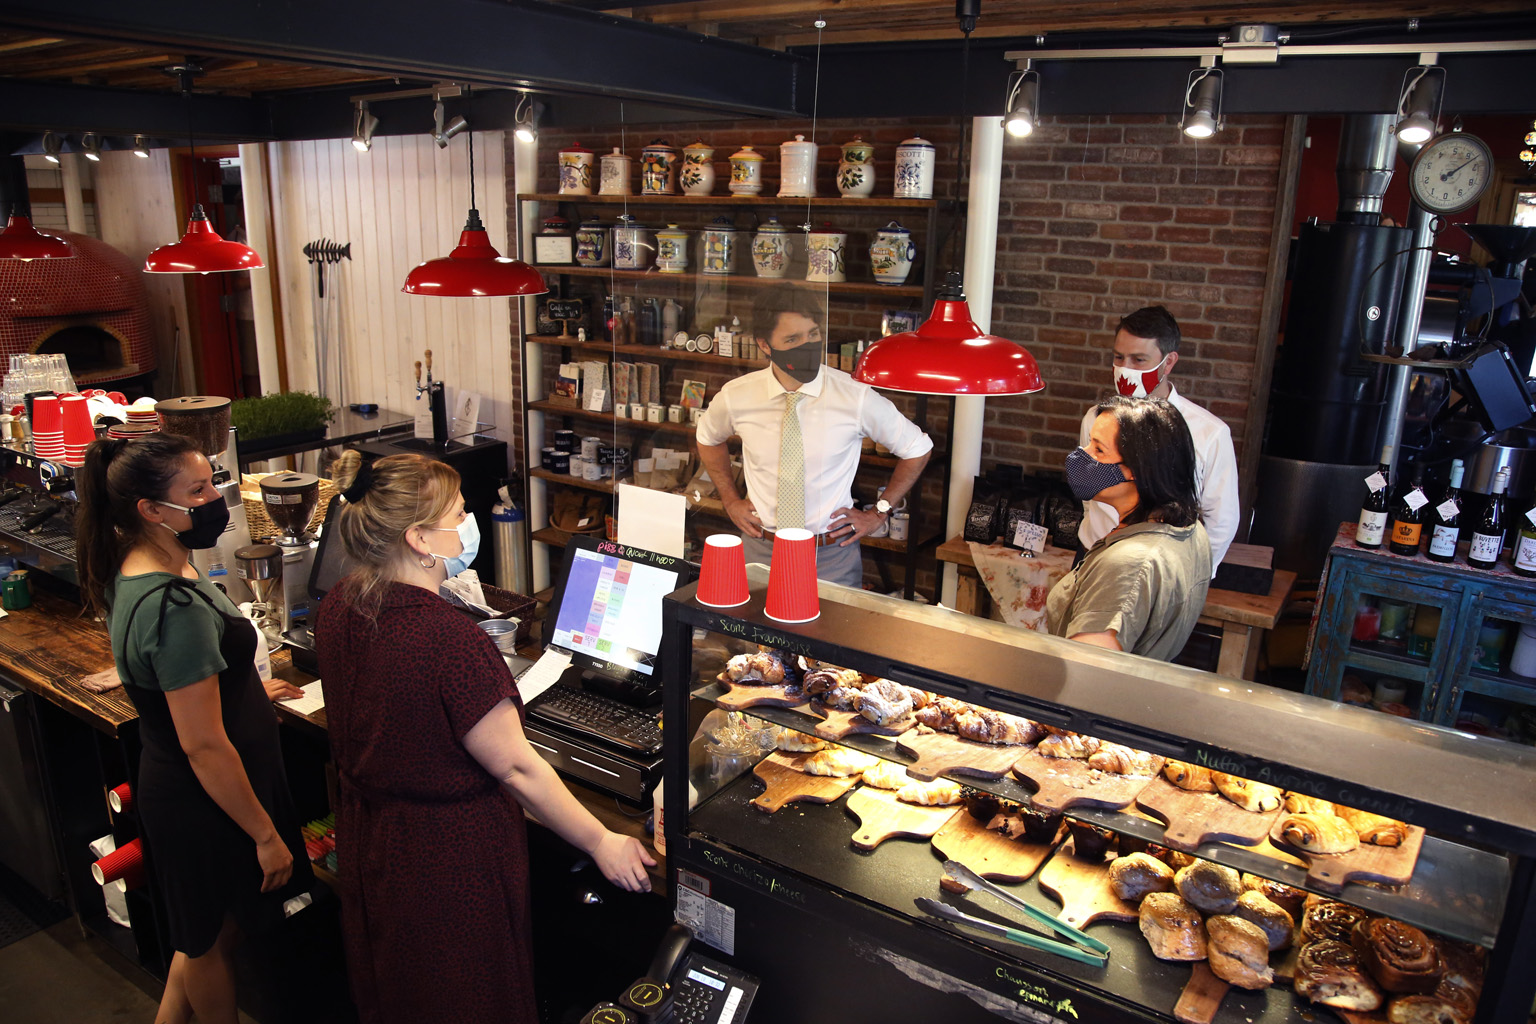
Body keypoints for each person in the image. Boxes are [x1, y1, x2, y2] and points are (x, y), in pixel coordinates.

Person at [315, 450, 655, 1024]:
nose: (467, 521)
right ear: (421, 539)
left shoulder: (341, 604)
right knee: (466, 995)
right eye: (459, 512)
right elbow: (517, 768)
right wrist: (602, 841)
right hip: (447, 860)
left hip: (374, 840)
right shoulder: (448, 639)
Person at [75, 433, 311, 1024]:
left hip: (206, 794)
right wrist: (263, 834)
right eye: (198, 490)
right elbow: (203, 744)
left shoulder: (150, 564)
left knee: (203, 933)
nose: (215, 498)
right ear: (150, 510)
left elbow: (181, 674)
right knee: (210, 942)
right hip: (209, 805)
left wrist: (246, 690)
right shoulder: (170, 606)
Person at [695, 287, 933, 586]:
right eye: (792, 339)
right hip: (761, 549)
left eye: (813, 334)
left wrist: (879, 512)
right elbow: (707, 437)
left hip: (831, 556)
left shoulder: (853, 395)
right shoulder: (738, 396)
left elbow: (918, 447)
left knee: (830, 633)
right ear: (764, 345)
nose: (806, 345)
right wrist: (730, 500)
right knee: (752, 633)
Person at [1048, 397, 1212, 660]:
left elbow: (1084, 676)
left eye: (1099, 450)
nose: (1081, 456)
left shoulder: (1127, 566)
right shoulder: (1190, 528)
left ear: (1138, 471)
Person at [1077, 305, 1239, 570]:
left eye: (1139, 360)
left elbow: (1222, 519)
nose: (1124, 368)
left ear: (1169, 362)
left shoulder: (1208, 433)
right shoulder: (1095, 418)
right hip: (1093, 555)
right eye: (1118, 357)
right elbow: (1088, 490)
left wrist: (1190, 573)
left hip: (1160, 569)